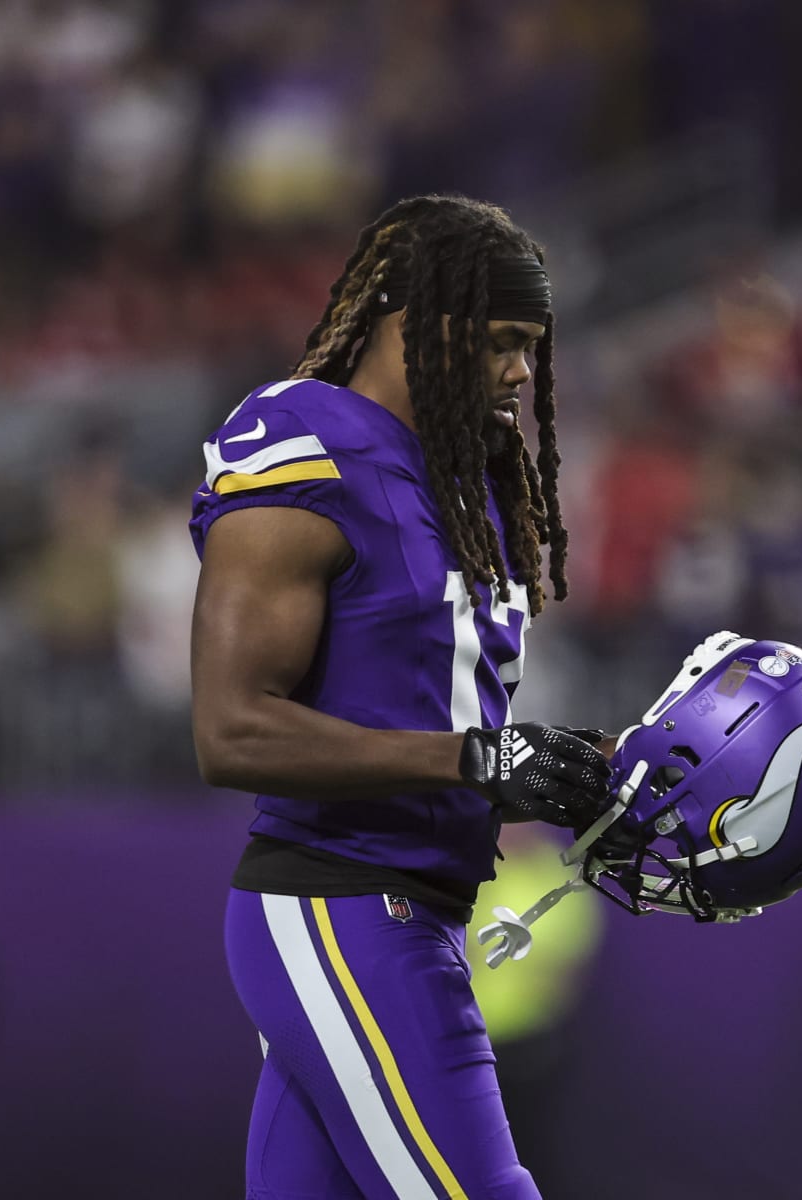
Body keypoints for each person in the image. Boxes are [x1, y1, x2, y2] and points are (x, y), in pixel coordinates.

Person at [190, 194, 614, 1200]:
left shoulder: (464, 485)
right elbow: (230, 729)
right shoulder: (305, 439)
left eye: (531, 345)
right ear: (415, 320)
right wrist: (476, 762)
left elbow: (441, 721)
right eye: (503, 341)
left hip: (415, 910)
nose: (521, 371)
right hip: (339, 903)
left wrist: (585, 780)